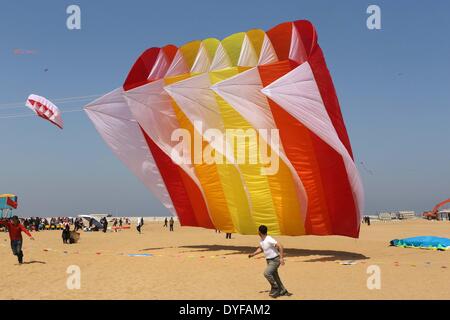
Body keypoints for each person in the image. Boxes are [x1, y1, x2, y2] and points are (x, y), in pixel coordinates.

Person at [248, 225, 291, 298]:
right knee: (275, 276)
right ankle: (284, 291)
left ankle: (275, 287)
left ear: (259, 232)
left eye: (258, 231)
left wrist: (281, 258)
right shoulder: (262, 241)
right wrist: (253, 254)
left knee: (267, 273)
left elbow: (280, 246)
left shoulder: (269, 239)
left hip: (275, 260)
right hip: (269, 261)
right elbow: (261, 249)